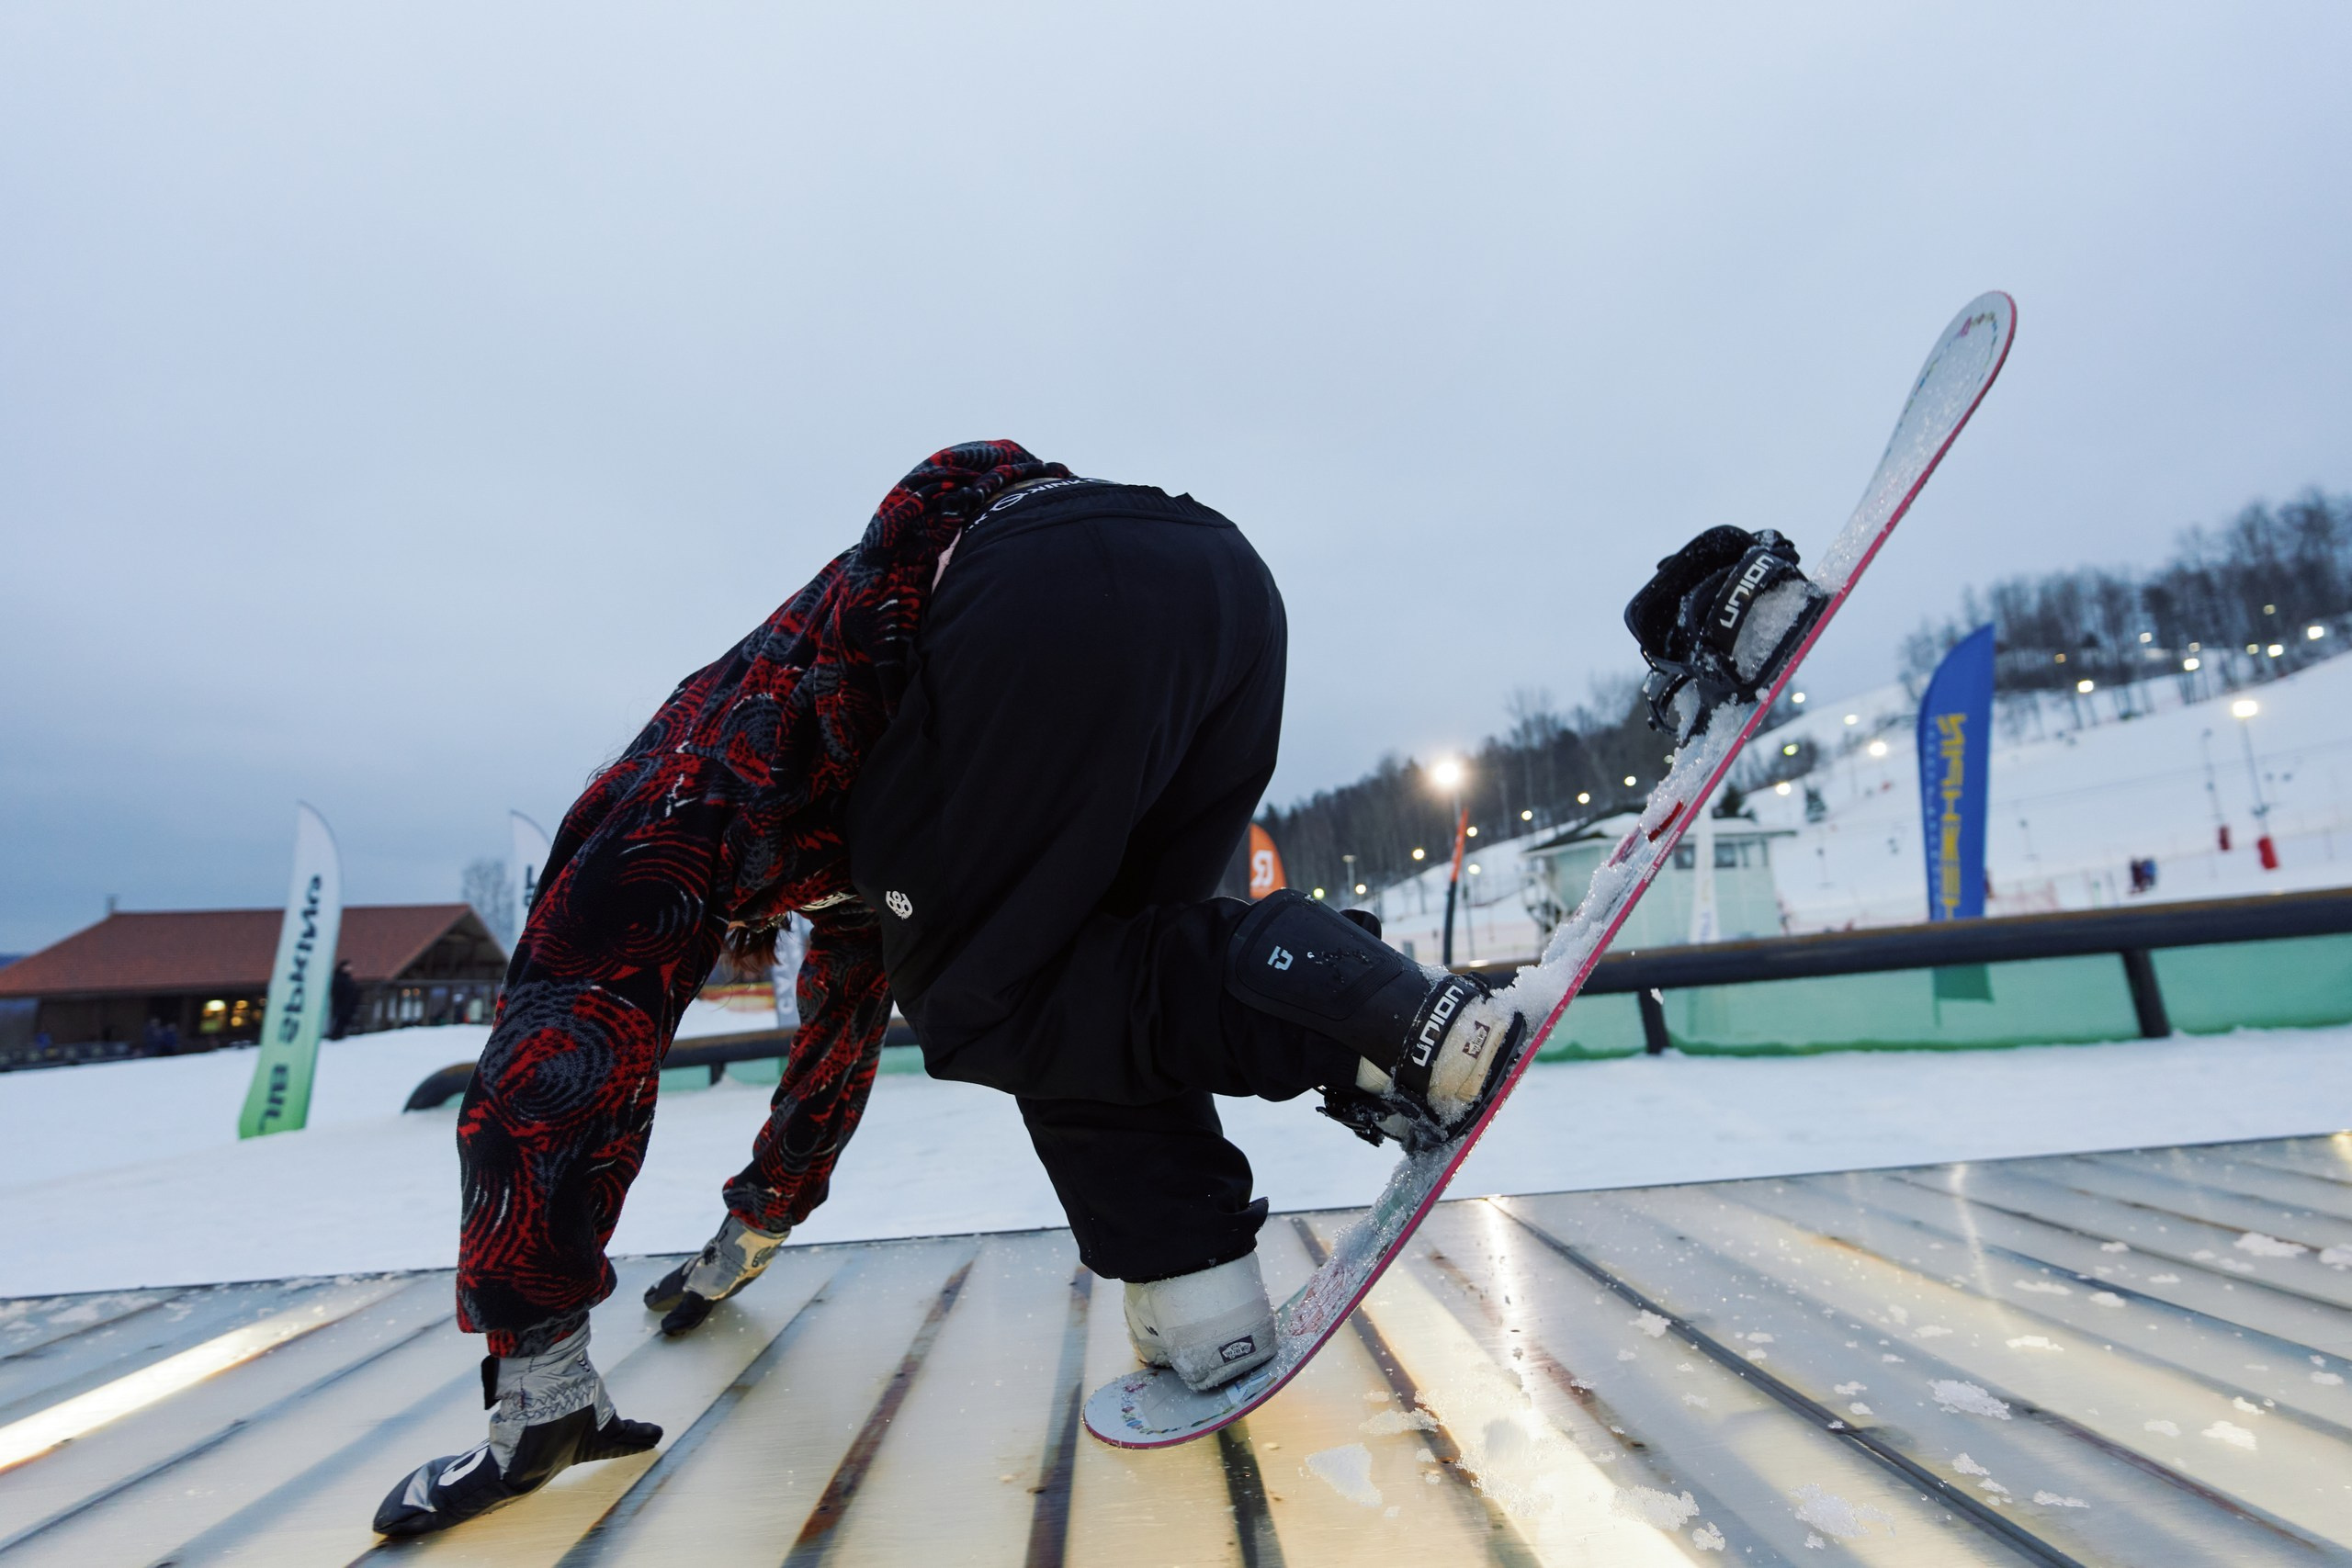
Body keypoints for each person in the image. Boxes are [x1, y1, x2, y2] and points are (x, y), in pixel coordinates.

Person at [373, 442, 1811, 1536]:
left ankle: (1337, 1001)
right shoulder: (865, 841)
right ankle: (1213, 1271)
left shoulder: (654, 809)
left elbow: (555, 1064)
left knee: (990, 1006)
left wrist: (536, 1366)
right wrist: (750, 1237)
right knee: (1071, 974)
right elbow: (829, 1058)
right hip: (1218, 593)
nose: (760, 955)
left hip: (1035, 604)